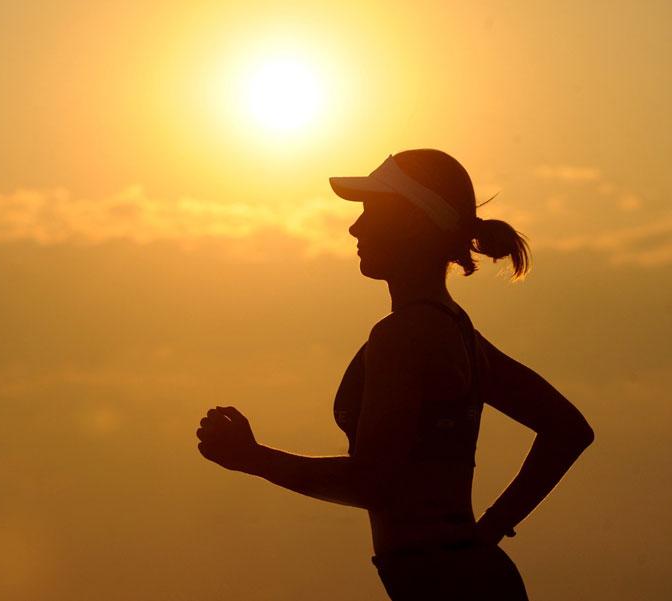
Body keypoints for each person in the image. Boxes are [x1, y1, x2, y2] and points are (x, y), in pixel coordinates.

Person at [195, 149, 595, 600]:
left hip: (445, 584)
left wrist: (253, 458)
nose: (355, 227)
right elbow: (567, 430)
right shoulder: (455, 329)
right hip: (464, 575)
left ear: (414, 223)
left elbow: (372, 482)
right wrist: (489, 531)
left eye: (372, 212)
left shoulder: (404, 335)